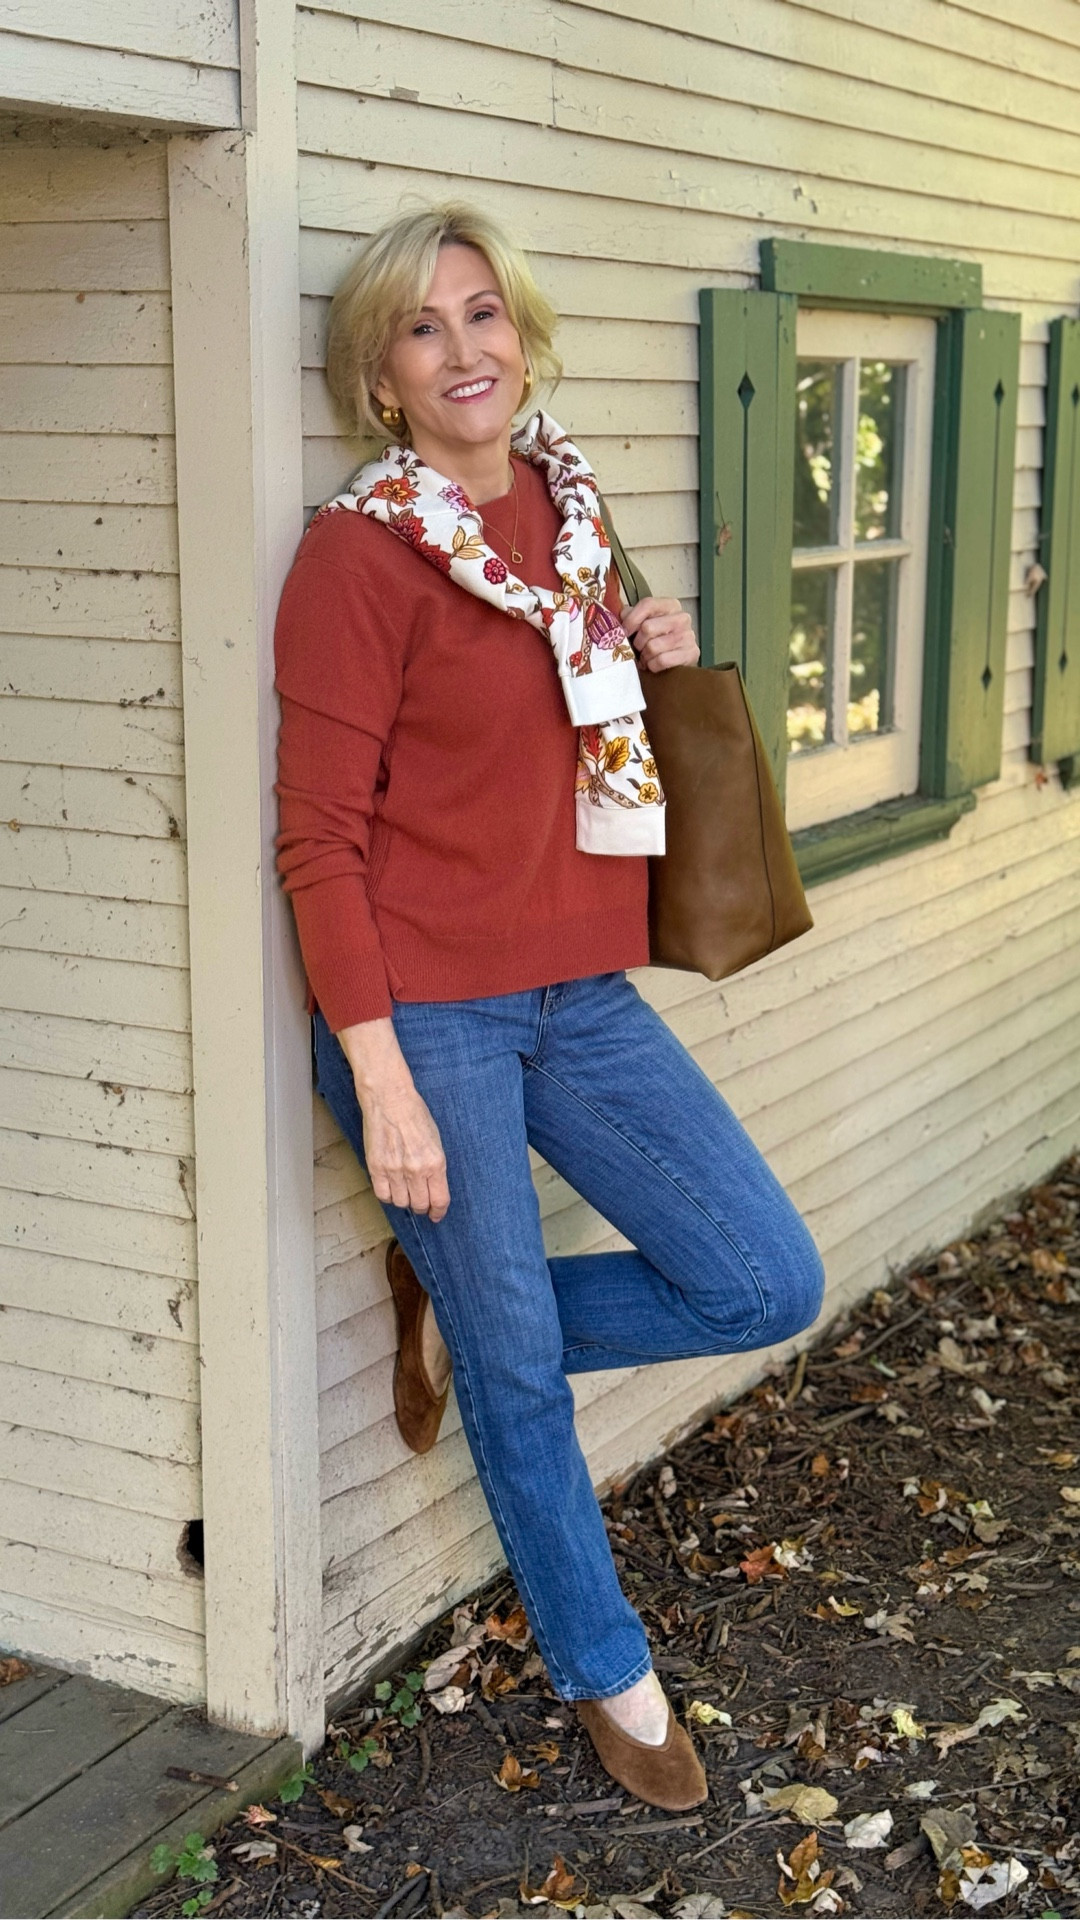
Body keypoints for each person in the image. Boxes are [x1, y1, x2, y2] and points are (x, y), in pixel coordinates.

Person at [273, 203, 825, 1811]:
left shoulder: (573, 515)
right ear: (380, 377)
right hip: (427, 1013)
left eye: (483, 315)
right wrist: (376, 1076)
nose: (465, 350)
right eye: (424, 329)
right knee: (522, 1386)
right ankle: (609, 1670)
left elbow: (582, 740)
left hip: (576, 989)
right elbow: (316, 841)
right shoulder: (357, 554)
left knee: (759, 1277)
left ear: (523, 335)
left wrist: (655, 645)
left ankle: (467, 1307)